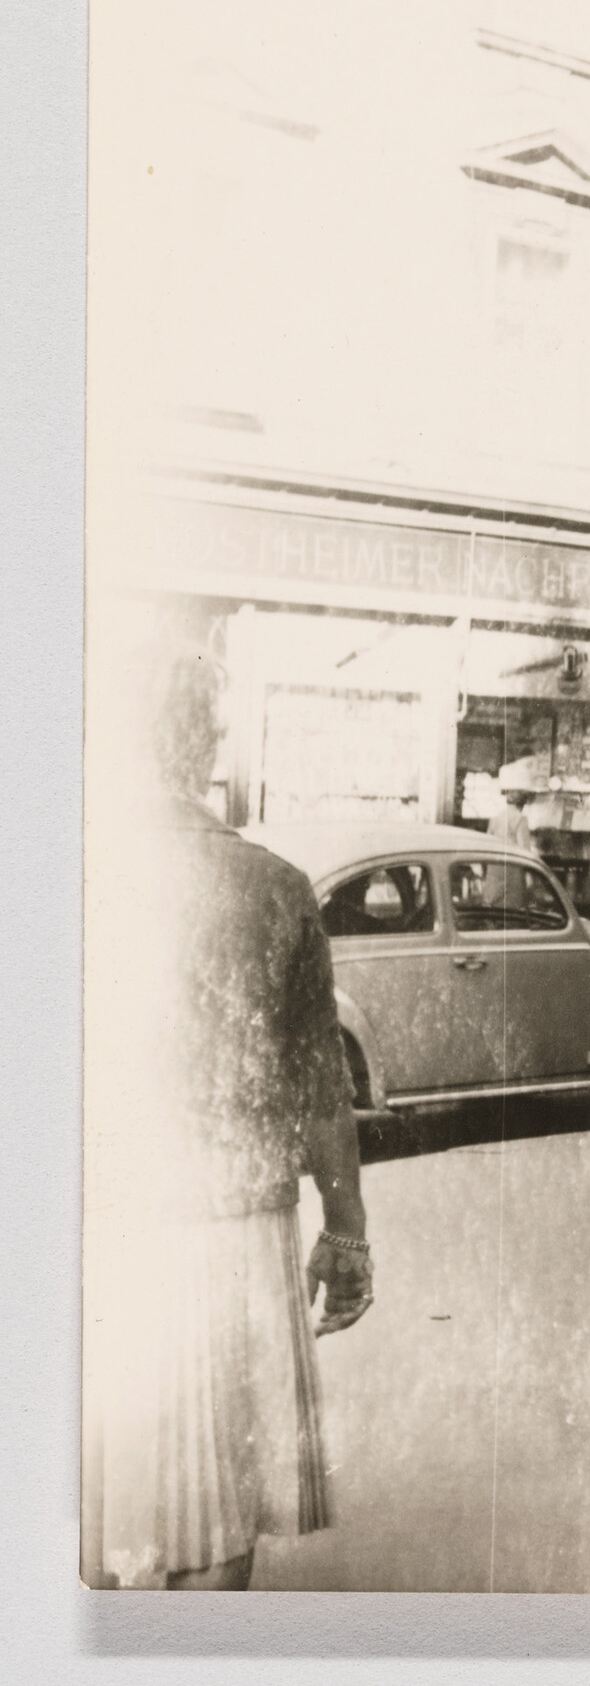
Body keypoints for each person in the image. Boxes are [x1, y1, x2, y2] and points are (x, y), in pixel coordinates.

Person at [82, 640, 373, 1590]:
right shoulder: (277, 889)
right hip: (238, 1228)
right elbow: (320, 1087)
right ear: (208, 742)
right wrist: (349, 1236)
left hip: (110, 1226)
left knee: (114, 1493)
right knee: (224, 1502)